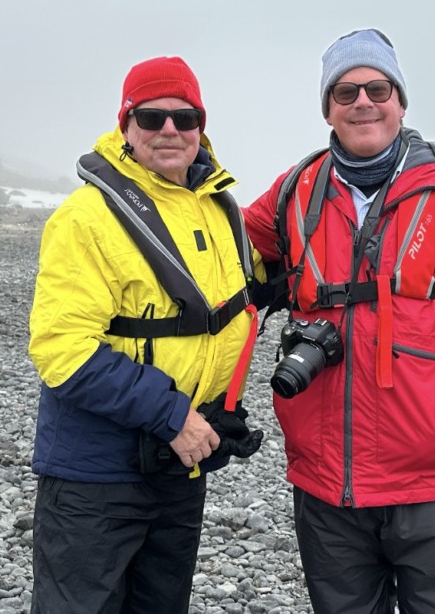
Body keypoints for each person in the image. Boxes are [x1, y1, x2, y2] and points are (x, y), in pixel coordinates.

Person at [243, 29, 435, 614]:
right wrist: (190, 191)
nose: (363, 102)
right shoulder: (293, 194)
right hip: (326, 482)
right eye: (345, 91)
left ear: (400, 100)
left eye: (377, 88)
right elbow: (221, 261)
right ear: (327, 107)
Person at [28, 56, 263, 613]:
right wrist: (173, 414)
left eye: (185, 118)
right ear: (125, 125)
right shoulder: (85, 218)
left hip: (178, 466)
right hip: (96, 476)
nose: (169, 131)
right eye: (152, 117)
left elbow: (234, 309)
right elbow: (62, 349)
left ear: (201, 125)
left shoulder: (217, 208)